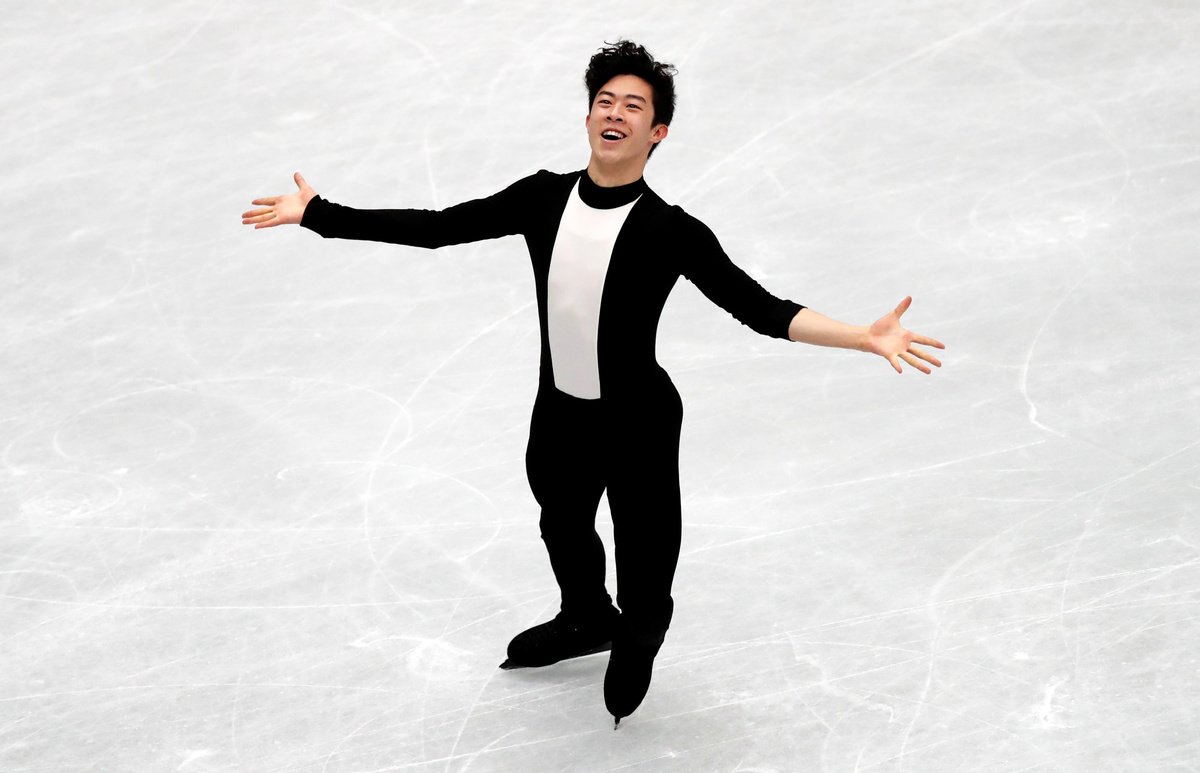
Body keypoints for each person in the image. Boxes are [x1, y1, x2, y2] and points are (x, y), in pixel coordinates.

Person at [242, 40, 944, 727]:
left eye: (633, 106)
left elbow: (760, 309)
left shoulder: (671, 231)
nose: (615, 112)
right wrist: (320, 214)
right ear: (587, 118)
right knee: (561, 519)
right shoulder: (542, 198)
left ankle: (639, 630)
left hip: (639, 420)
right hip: (560, 412)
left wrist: (863, 335)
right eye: (605, 101)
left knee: (645, 558)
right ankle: (585, 616)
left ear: (657, 132)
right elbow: (439, 228)